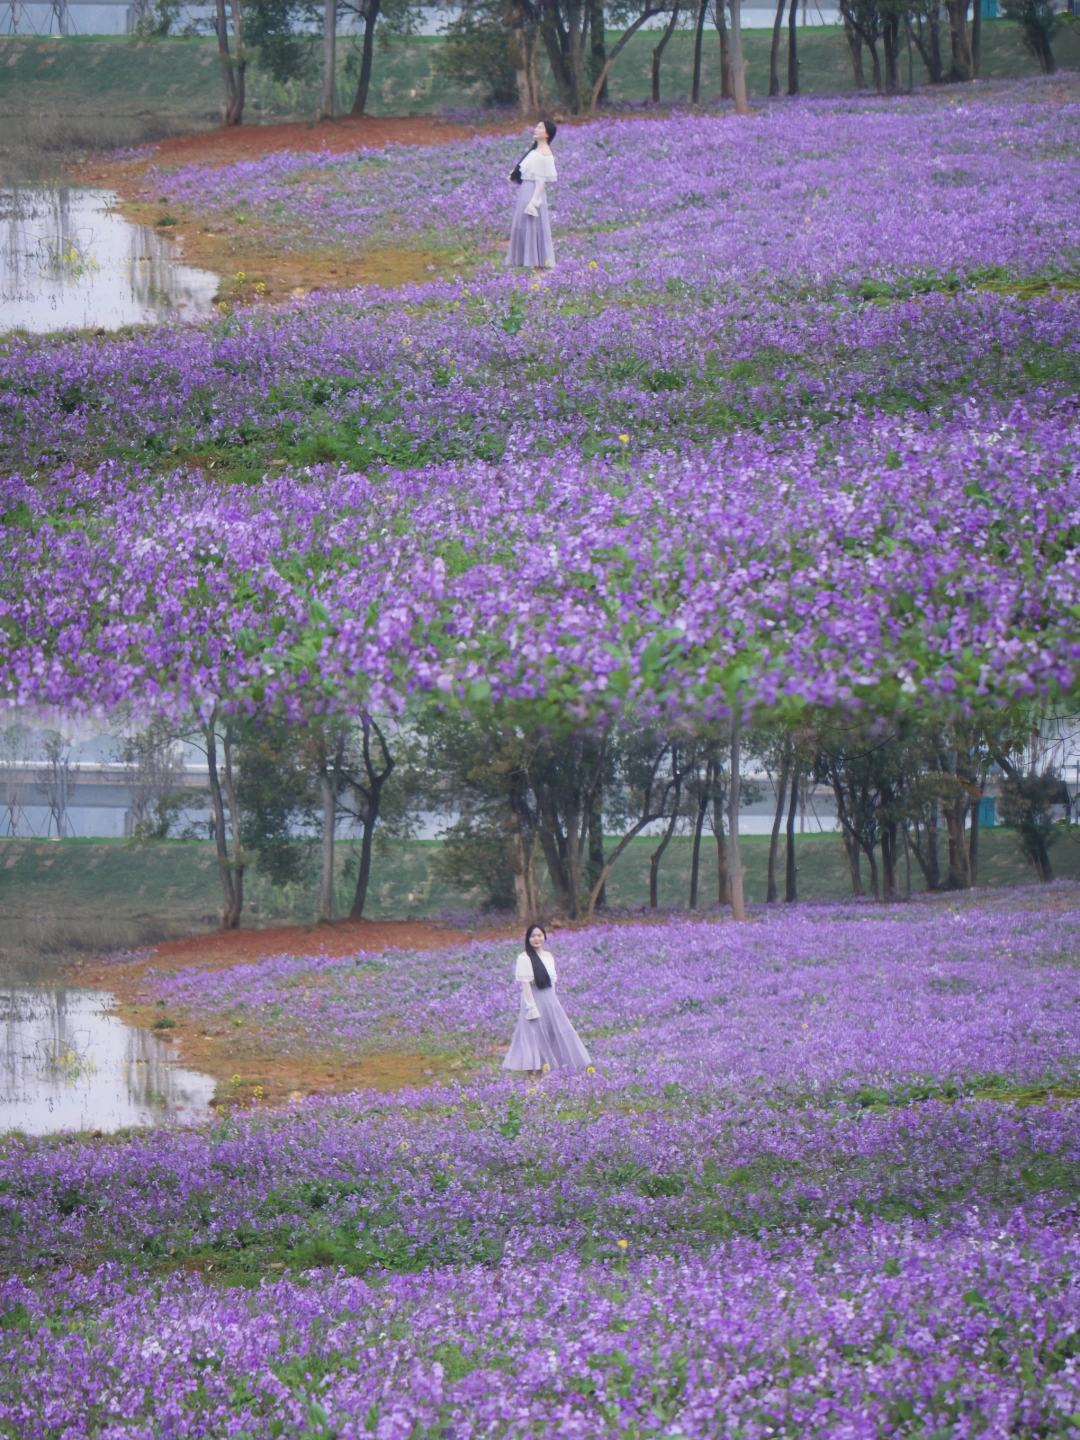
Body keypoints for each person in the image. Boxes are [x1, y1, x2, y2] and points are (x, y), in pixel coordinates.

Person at [502, 923, 591, 1079]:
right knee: (533, 1037)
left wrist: (554, 1002)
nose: (536, 939)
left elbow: (553, 981)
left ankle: (543, 1076)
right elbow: (526, 985)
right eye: (533, 936)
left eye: (539, 935)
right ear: (528, 939)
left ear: (544, 937)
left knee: (551, 1035)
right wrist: (531, 1007)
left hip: (549, 1001)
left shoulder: (548, 956)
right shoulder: (524, 958)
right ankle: (532, 1080)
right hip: (534, 1002)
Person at [505, 119, 557, 275]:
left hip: (533, 193)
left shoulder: (545, 154)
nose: (536, 129)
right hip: (526, 191)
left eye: (540, 128)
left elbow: (542, 180)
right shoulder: (535, 151)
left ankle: (540, 270)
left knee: (534, 229)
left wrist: (534, 201)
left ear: (547, 134)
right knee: (527, 228)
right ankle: (538, 269)